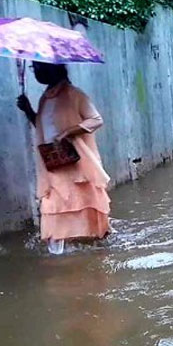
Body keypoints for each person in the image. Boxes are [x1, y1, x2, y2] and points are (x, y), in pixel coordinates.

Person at [16, 62, 111, 255]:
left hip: (76, 162)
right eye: (35, 68)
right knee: (53, 204)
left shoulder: (74, 94)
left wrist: (69, 132)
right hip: (53, 161)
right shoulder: (45, 98)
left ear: (53, 69)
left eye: (39, 68)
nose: (37, 73)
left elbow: (96, 120)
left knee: (85, 201)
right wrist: (28, 111)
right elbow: (43, 128)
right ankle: (58, 252)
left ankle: (95, 244)